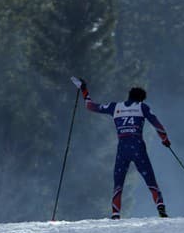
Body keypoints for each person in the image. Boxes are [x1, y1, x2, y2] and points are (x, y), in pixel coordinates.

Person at [71, 77, 170, 220]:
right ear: (141, 99)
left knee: (118, 182)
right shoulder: (143, 107)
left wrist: (84, 89)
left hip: (122, 148)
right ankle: (160, 207)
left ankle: (115, 214)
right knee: (150, 179)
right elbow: (158, 125)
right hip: (137, 147)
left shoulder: (115, 107)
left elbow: (90, 106)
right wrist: (165, 140)